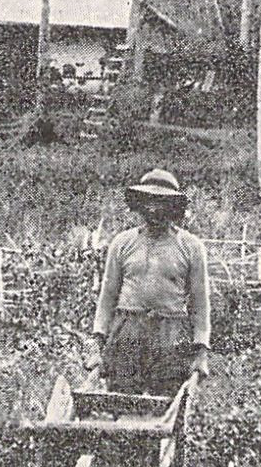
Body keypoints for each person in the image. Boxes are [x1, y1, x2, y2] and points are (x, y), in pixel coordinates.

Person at [90, 168, 212, 397]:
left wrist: (201, 351)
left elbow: (200, 304)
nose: (155, 209)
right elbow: (107, 297)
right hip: (127, 330)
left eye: (162, 202)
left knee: (166, 400)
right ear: (140, 204)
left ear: (173, 207)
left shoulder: (191, 246)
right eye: (149, 201)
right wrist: (97, 343)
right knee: (120, 398)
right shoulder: (122, 243)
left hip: (171, 333)